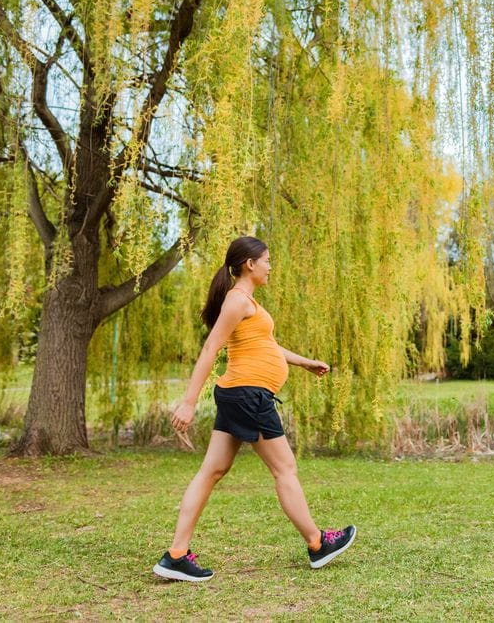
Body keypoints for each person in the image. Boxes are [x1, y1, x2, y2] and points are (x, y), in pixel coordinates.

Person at [153, 236, 356, 582]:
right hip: (248, 396)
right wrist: (188, 403)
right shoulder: (236, 301)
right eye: (267, 260)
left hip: (238, 394)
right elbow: (209, 351)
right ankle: (317, 542)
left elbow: (267, 345)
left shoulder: (248, 302)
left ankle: (175, 555)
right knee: (285, 468)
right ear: (250, 264)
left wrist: (304, 363)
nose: (270, 266)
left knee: (212, 471)